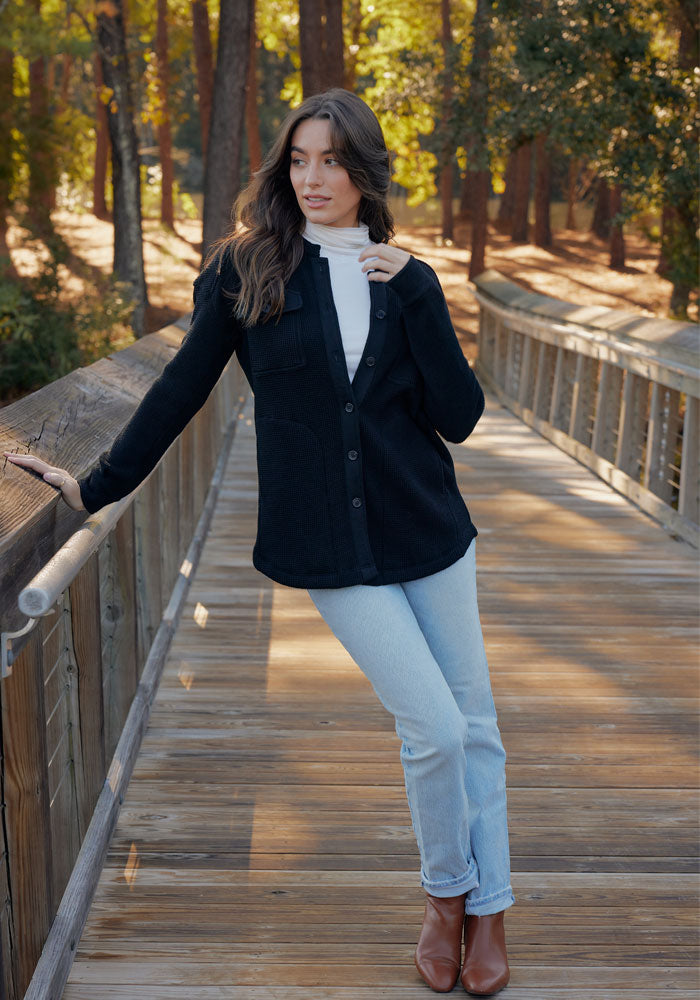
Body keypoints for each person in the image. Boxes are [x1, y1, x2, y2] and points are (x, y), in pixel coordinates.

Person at [4, 88, 514, 994]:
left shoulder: (407, 278)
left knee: (474, 726)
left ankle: (491, 911)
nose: (313, 178)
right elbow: (177, 393)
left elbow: (462, 419)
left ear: (364, 172)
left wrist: (428, 298)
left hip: (430, 527)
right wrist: (93, 487)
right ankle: (447, 895)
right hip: (327, 543)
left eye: (333, 161)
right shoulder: (248, 272)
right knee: (432, 725)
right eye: (300, 159)